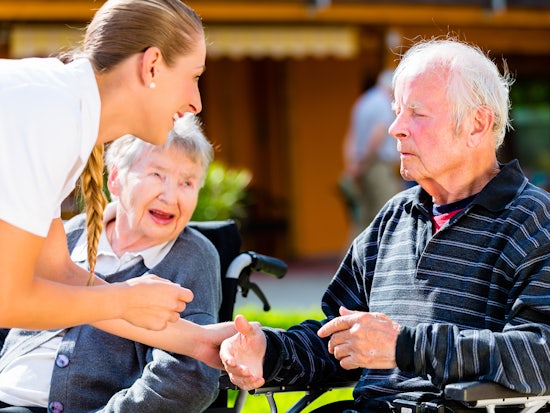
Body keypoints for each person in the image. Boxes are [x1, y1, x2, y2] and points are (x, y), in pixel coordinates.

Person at [220, 37, 550, 413]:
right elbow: (338, 338)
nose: (395, 128)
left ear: (477, 123)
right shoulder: (396, 216)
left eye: (416, 113)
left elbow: (541, 355)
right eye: (396, 111)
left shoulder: (534, 222)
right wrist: (270, 351)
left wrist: (404, 347)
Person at [0, 0, 235, 367]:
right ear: (152, 65)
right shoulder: (49, 116)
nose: (197, 103)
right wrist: (125, 298)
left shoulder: (59, 107)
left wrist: (197, 342)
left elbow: (55, 272)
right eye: (193, 77)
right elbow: (7, 299)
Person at [0, 113, 220, 413]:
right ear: (116, 179)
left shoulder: (192, 257)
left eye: (187, 182)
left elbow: (189, 377)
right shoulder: (69, 235)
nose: (170, 196)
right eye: (157, 174)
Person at [340, 69, 403, 240]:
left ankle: (353, 261)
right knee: (387, 213)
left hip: (362, 166)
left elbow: (351, 137)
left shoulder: (363, 101)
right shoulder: (383, 102)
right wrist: (364, 161)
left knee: (364, 217)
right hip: (376, 164)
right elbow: (378, 133)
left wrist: (352, 165)